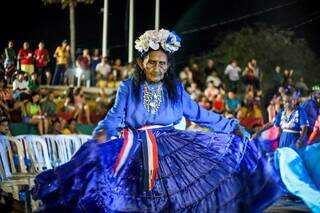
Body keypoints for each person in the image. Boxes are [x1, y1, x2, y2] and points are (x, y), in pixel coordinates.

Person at [32, 29, 281, 212]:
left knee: (177, 196)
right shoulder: (127, 87)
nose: (158, 67)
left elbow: (199, 114)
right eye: (153, 62)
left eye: (163, 63)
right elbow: (114, 117)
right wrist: (102, 134)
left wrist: (231, 126)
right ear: (142, 63)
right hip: (134, 146)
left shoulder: (175, 88)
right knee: (125, 193)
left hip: (173, 146)